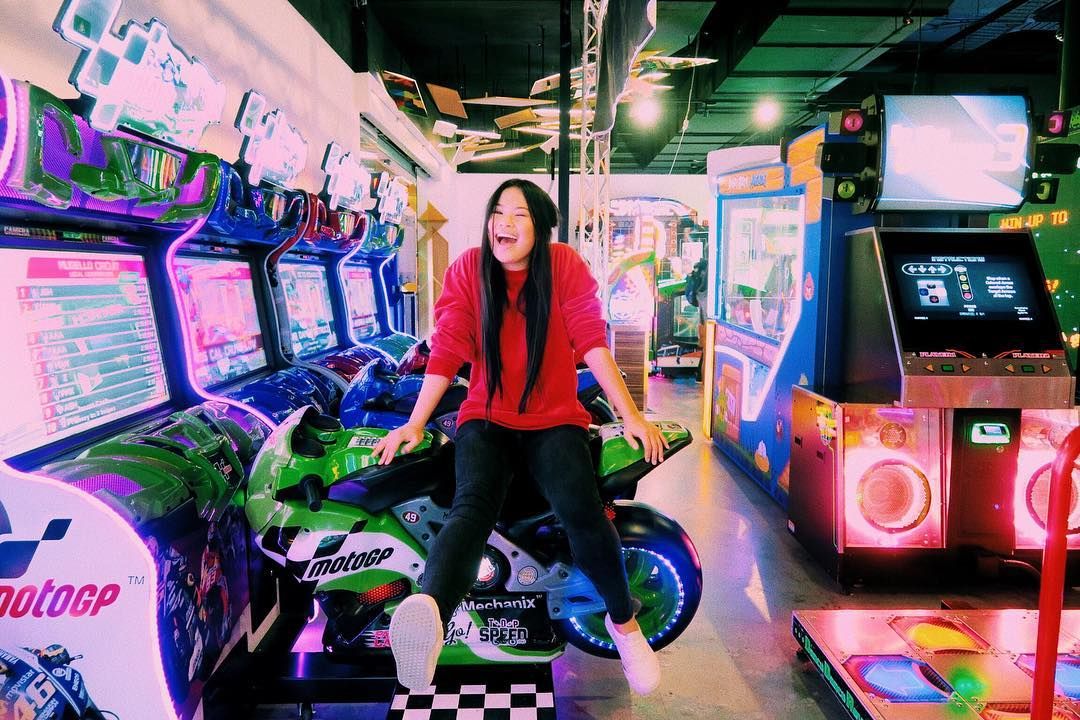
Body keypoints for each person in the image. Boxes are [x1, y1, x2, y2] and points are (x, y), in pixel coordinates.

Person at [372, 178, 669, 695]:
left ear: (541, 227)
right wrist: (415, 423)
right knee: (471, 508)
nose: (503, 224)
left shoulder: (564, 266)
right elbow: (447, 348)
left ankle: (624, 626)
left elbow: (591, 341)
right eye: (497, 212)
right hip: (486, 419)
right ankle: (430, 614)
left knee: (581, 511)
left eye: (518, 215)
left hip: (555, 420)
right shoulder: (469, 268)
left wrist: (632, 415)